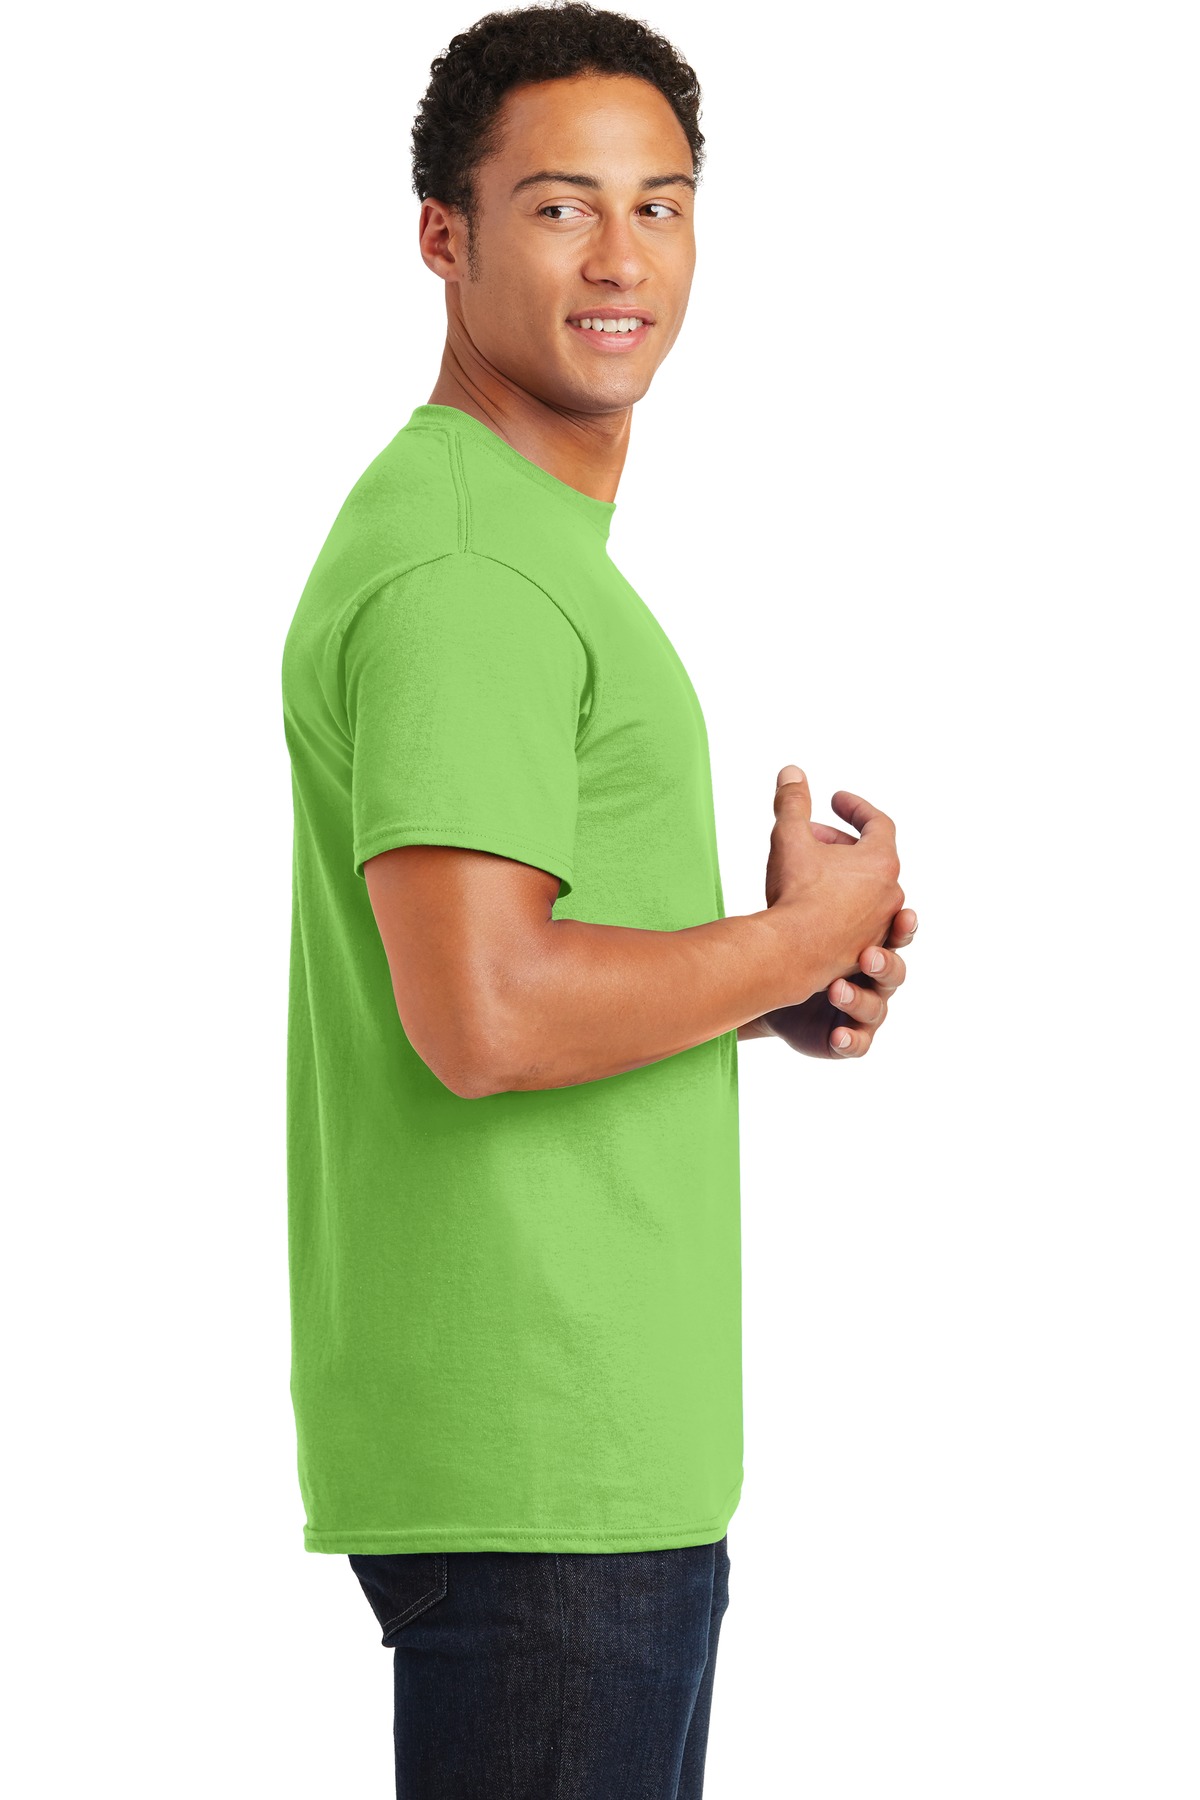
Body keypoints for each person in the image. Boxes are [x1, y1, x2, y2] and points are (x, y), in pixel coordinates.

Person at [279, 5, 917, 1794]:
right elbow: (484, 1015)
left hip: (578, 1457)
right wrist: (793, 936)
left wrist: (765, 988)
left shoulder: (513, 538)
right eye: (560, 206)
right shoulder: (471, 565)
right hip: (544, 1461)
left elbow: (512, 972)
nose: (623, 257)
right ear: (444, 236)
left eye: (663, 205)